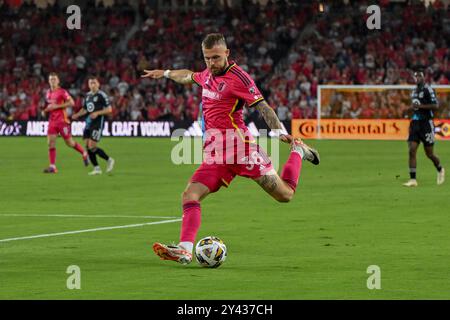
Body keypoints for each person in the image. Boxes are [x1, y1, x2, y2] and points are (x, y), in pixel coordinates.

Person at [142, 33, 320, 265]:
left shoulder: (240, 78)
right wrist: (164, 73)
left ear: (226, 53)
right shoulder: (207, 74)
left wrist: (280, 132)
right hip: (215, 153)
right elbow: (187, 76)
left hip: (241, 151)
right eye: (207, 58)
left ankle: (297, 150)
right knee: (190, 194)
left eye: (216, 58)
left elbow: (263, 106)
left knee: (285, 195)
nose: (211, 63)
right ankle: (184, 249)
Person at [403, 70, 445, 187]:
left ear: (424, 77)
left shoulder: (428, 89)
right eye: (416, 76)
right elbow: (415, 106)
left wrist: (419, 106)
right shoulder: (413, 92)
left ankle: (440, 169)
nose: (418, 78)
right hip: (415, 123)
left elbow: (435, 106)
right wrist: (410, 110)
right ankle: (413, 180)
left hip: (426, 124)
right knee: (412, 150)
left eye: (420, 76)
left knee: (429, 154)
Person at [42, 73, 88, 173]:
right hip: (52, 121)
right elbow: (51, 106)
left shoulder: (62, 91)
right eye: (50, 79)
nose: (52, 81)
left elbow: (72, 103)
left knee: (69, 143)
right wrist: (45, 110)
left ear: (58, 81)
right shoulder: (48, 93)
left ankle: (84, 152)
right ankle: (53, 167)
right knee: (50, 143)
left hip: (62, 121)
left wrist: (57, 106)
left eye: (54, 79)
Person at [72, 76, 115, 175]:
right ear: (88, 85)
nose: (92, 85)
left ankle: (109, 160)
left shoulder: (102, 95)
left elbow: (109, 109)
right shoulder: (87, 95)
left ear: (98, 84)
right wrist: (77, 115)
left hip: (97, 123)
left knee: (92, 146)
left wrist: (97, 113)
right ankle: (97, 168)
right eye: (90, 83)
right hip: (88, 122)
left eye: (94, 83)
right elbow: (85, 109)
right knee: (87, 145)